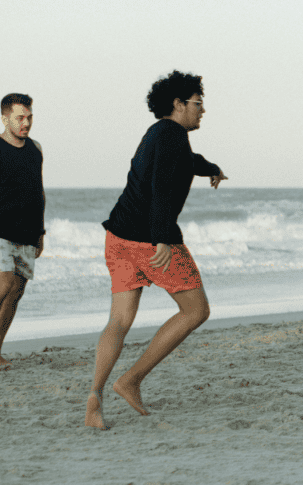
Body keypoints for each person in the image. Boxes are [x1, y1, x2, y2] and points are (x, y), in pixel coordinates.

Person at [85, 71, 228, 429]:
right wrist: (163, 237)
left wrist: (212, 168)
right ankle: (130, 380)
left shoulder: (161, 134)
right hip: (150, 240)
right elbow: (161, 185)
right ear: (178, 104)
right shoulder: (172, 136)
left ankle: (95, 396)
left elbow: (186, 162)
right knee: (196, 310)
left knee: (118, 320)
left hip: (117, 237)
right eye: (198, 103)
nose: (203, 110)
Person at [0, 94, 45, 368]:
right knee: (4, 282)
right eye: (20, 117)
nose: (26, 123)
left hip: (28, 231)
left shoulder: (36, 148)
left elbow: (38, 191)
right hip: (1, 230)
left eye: (29, 117)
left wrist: (41, 232)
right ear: (5, 118)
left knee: (16, 292)